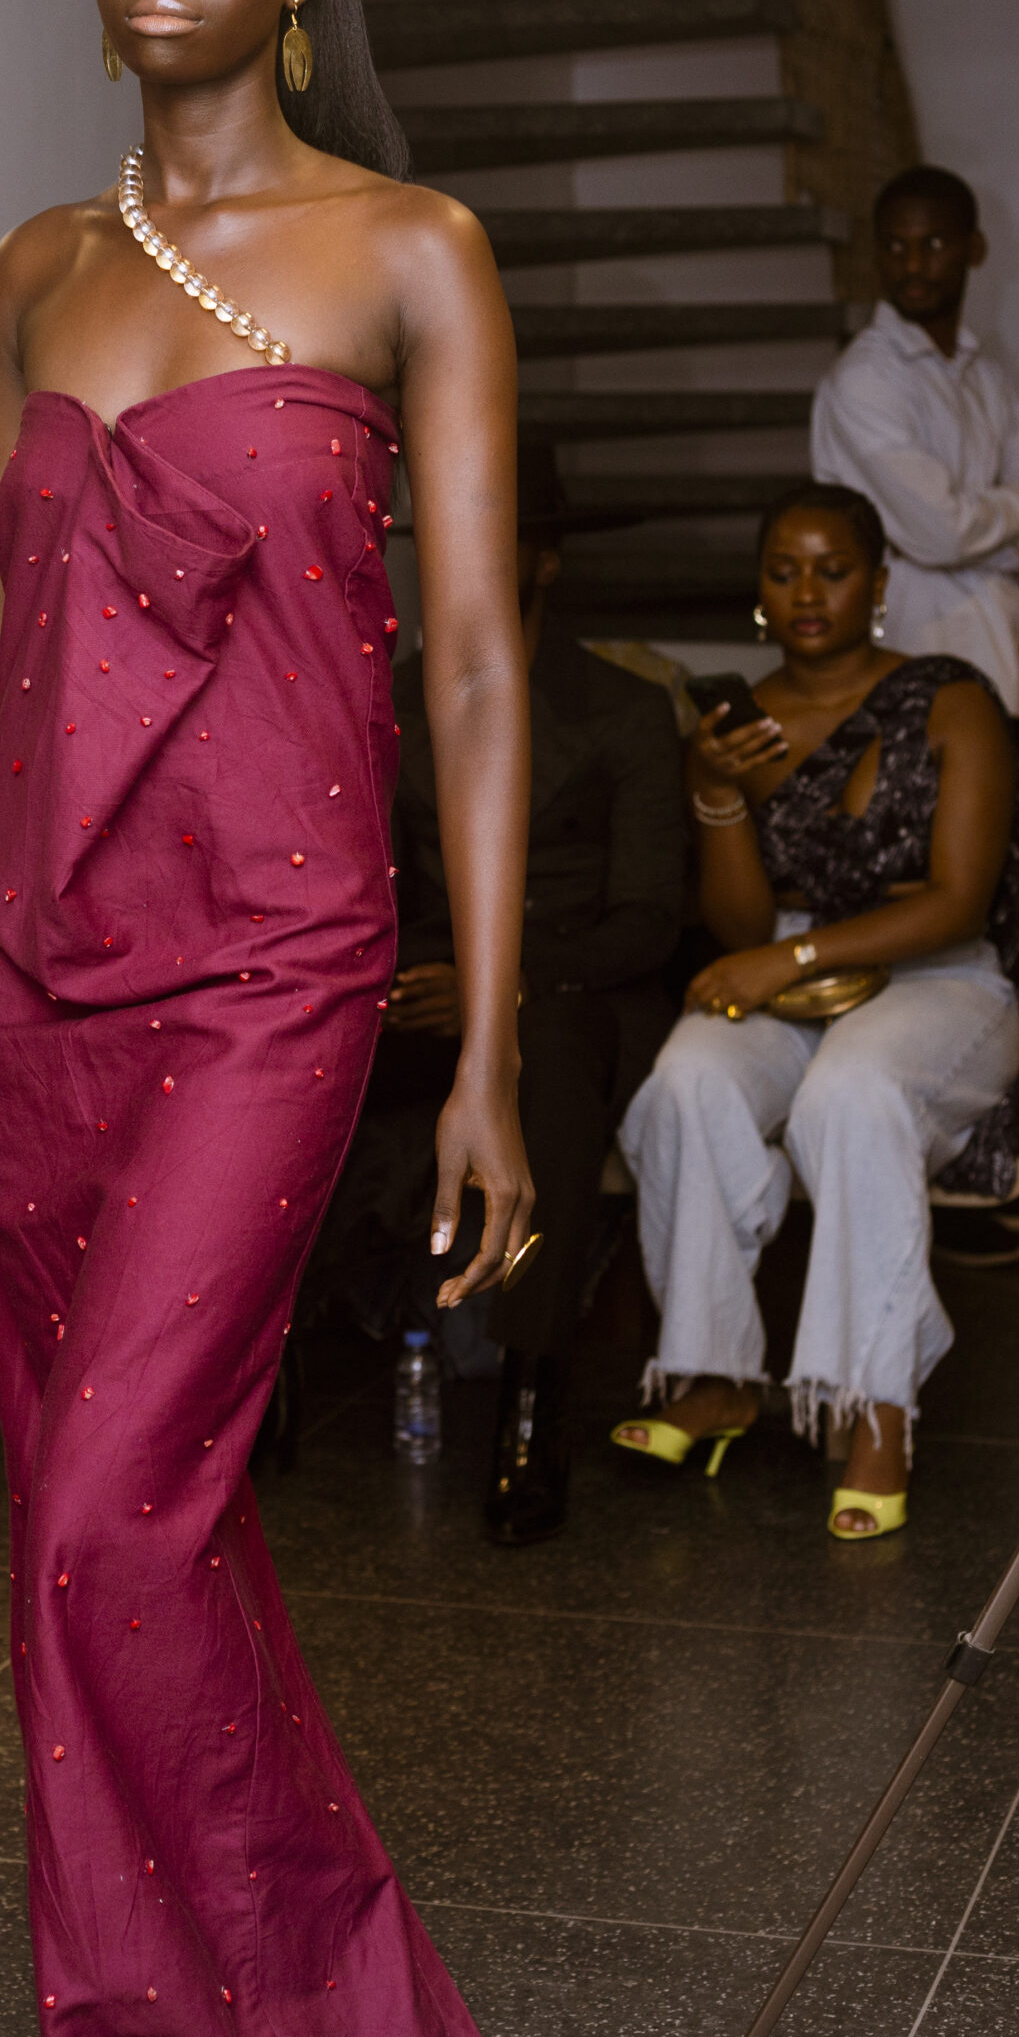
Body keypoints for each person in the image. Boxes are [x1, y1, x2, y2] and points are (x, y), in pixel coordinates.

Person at [0, 0, 527, 2037]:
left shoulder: (408, 247)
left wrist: (489, 1053)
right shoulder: (37, 264)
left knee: (113, 1509)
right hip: (36, 976)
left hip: (270, 966)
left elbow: (476, 667)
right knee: (97, 1526)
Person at [614, 481, 1019, 1538]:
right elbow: (739, 923)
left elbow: (958, 899)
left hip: (940, 976)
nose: (806, 593)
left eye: (831, 571)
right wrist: (713, 792)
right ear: (758, 591)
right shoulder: (738, 726)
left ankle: (876, 1404)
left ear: (877, 584)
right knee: (687, 1079)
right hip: (786, 967)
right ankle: (711, 1374)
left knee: (852, 1092)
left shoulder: (952, 701)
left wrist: (787, 957)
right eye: (783, 572)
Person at [309, 441, 684, 1544]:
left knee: (545, 1064)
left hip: (578, 994)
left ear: (544, 560)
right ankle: (267, 1368)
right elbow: (371, 893)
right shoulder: (391, 702)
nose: (462, 552)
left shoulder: (622, 708)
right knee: (295, 1044)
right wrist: (397, 987)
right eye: (442, 533)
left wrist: (500, 992)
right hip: (434, 982)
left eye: (495, 531)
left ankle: (532, 1394)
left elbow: (648, 922)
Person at [811, 163, 1019, 722]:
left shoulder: (987, 379)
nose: (912, 265)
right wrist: (1016, 507)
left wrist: (972, 528)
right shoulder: (865, 378)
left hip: (1008, 673)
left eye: (932, 244)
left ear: (974, 249)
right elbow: (941, 535)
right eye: (894, 246)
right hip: (908, 675)